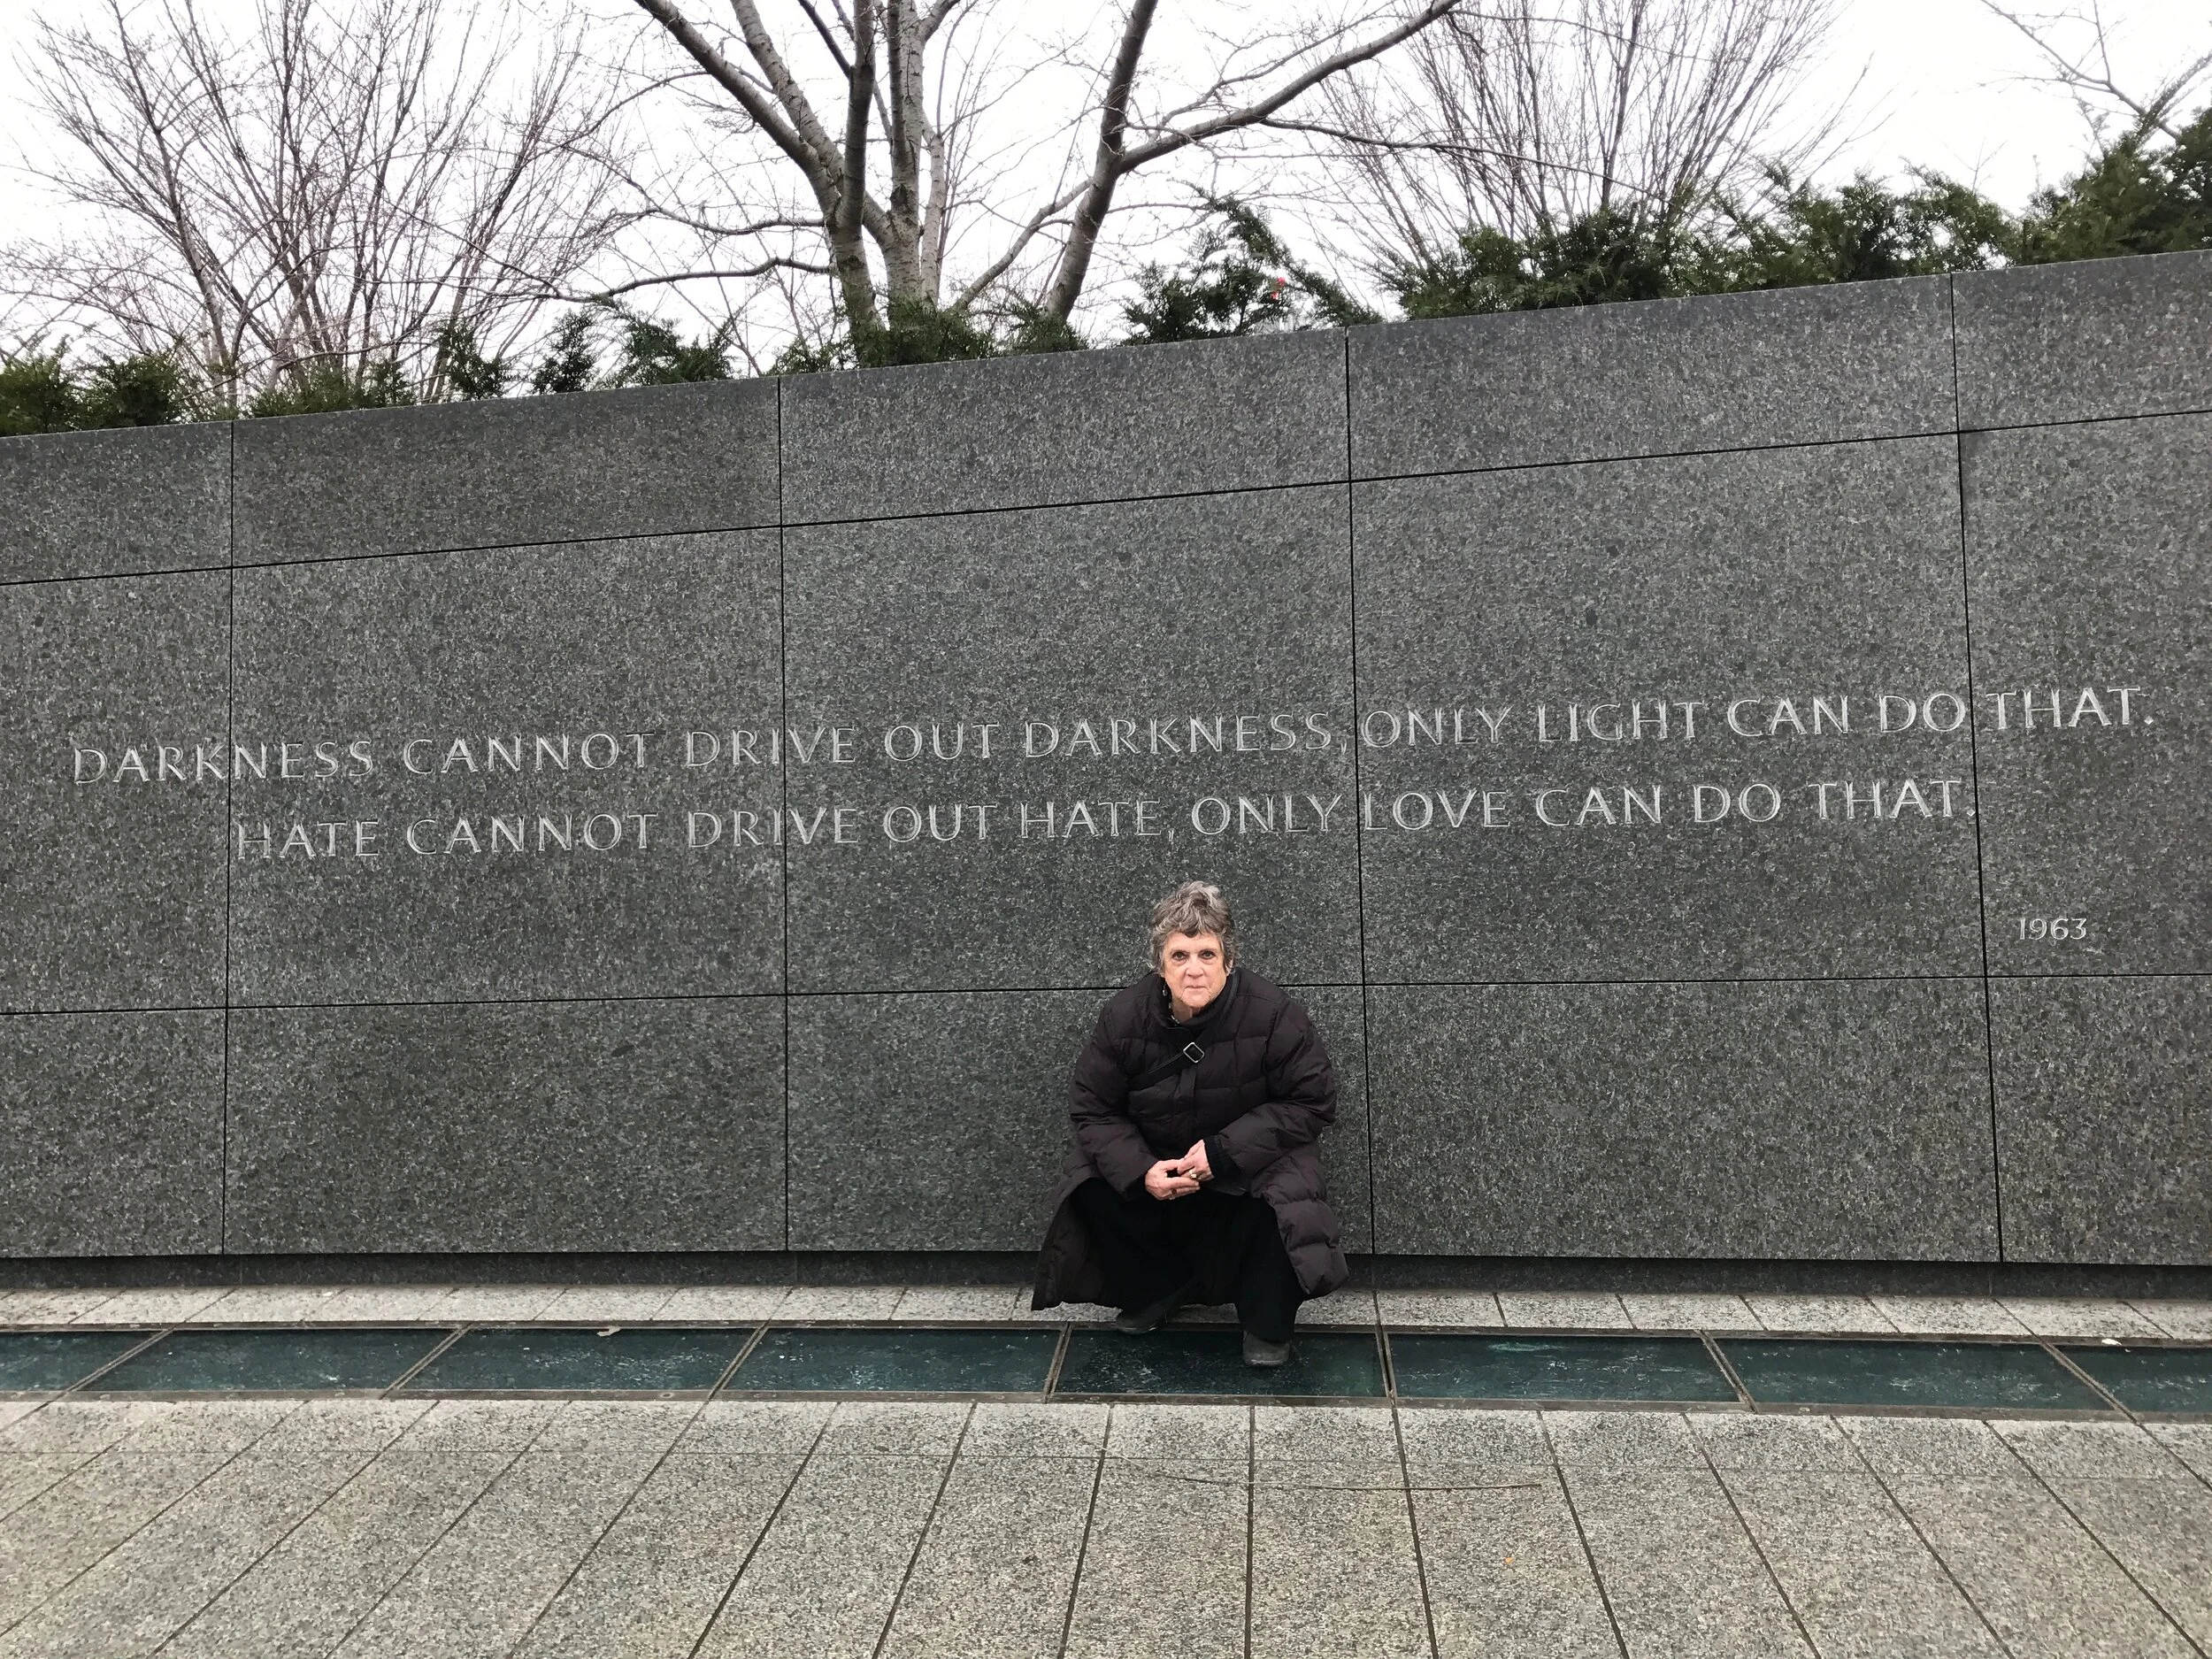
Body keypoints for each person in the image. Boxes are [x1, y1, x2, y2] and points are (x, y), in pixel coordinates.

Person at [1031, 880, 1348, 1366]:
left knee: (1285, 1196)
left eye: (1206, 953)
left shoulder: (1276, 1013)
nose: (1194, 969)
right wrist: (1142, 1171)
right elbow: (1092, 1107)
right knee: (1092, 1183)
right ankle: (1160, 1289)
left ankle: (1265, 1319)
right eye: (1180, 955)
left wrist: (1225, 1152)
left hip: (1247, 1169)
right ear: (1160, 963)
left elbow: (1312, 1101)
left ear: (1228, 959)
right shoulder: (1123, 1017)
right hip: (1164, 1166)